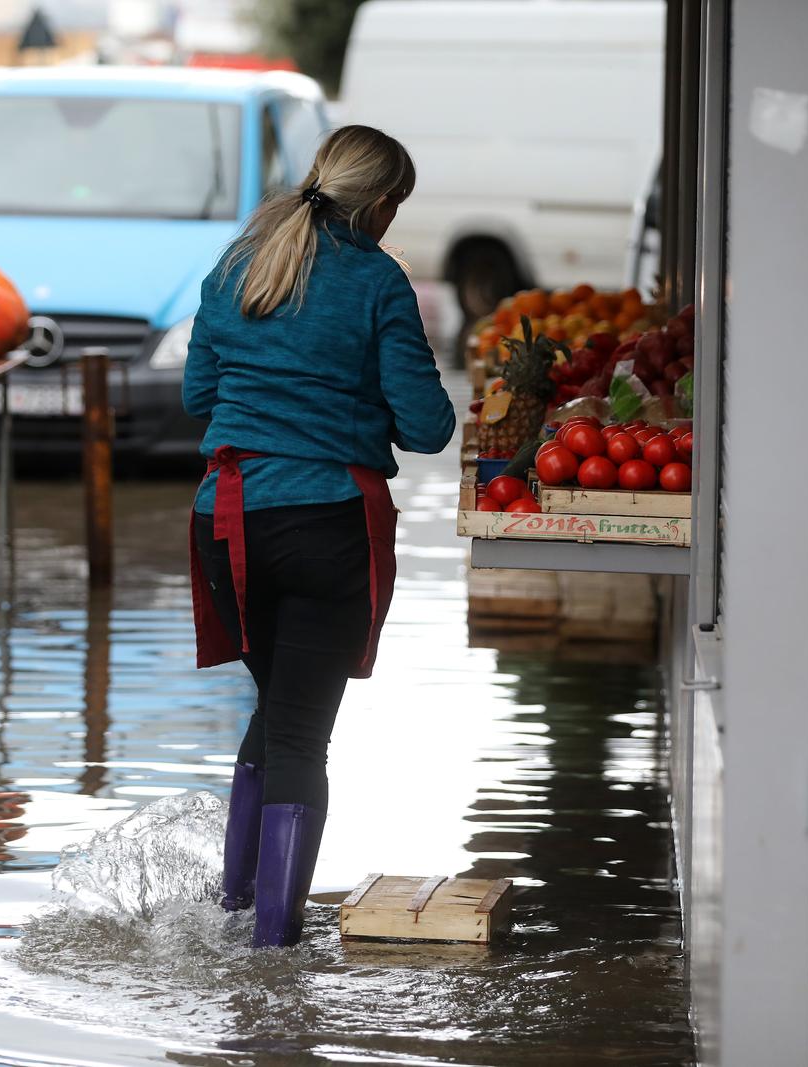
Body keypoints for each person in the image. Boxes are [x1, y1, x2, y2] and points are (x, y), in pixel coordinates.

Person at [184, 125, 456, 948]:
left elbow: (202, 394)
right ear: (379, 205)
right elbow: (429, 426)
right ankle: (273, 951)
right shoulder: (376, 280)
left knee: (277, 709)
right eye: (394, 206)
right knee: (303, 733)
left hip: (226, 523)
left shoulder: (238, 263)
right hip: (323, 524)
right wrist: (355, 406)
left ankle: (232, 912)